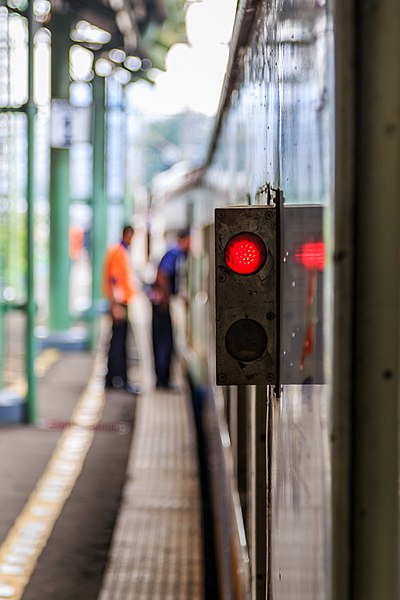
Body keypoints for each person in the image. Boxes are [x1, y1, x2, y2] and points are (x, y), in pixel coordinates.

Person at [150, 228, 191, 390]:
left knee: (164, 342)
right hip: (162, 306)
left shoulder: (175, 253)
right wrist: (166, 299)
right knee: (165, 343)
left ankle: (163, 379)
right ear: (184, 239)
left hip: (161, 304)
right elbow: (162, 275)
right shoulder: (175, 253)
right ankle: (162, 380)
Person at [102, 224, 139, 393]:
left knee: (117, 340)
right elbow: (115, 279)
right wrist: (116, 305)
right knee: (119, 341)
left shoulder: (117, 250)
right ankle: (120, 379)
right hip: (120, 303)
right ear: (127, 234)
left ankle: (112, 378)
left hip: (120, 302)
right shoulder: (119, 252)